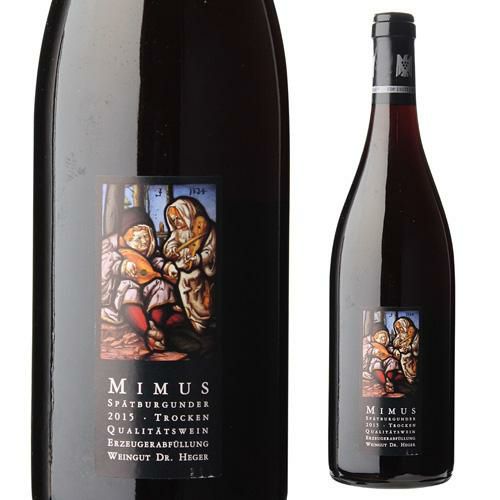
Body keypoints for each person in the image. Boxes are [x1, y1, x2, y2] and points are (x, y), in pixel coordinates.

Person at [101, 207, 182, 351]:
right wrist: (122, 266)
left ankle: (156, 325)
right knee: (128, 286)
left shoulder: (149, 255)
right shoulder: (117, 252)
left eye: (146, 237)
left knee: (161, 285)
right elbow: (108, 263)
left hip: (147, 296)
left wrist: (167, 267)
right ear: (125, 239)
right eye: (138, 238)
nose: (143, 241)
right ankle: (146, 330)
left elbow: (156, 262)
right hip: (125, 298)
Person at [163, 197, 216, 334]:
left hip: (200, 273)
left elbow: (210, 252)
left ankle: (201, 320)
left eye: (178, 218)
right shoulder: (178, 231)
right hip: (183, 272)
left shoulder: (206, 228)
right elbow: (170, 244)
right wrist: (171, 250)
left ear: (187, 213)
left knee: (198, 298)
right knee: (184, 295)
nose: (176, 222)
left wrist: (197, 259)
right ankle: (190, 318)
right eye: (173, 220)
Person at [363, 323, 404, 394]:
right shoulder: (369, 345)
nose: (384, 339)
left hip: (385, 365)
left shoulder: (387, 347)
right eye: (381, 337)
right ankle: (385, 382)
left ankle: (389, 380)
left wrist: (394, 352)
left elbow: (389, 351)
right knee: (376, 361)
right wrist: (374, 351)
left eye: (385, 337)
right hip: (374, 366)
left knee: (392, 361)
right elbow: (366, 351)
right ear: (375, 337)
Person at [390, 317, 420, 384]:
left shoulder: (415, 335)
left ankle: (412, 378)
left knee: (411, 368)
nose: (399, 330)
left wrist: (409, 348)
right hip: (402, 355)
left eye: (400, 327)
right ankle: (407, 378)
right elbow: (395, 343)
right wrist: (397, 343)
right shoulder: (399, 335)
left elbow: (416, 346)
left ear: (405, 325)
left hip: (411, 356)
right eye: (397, 328)